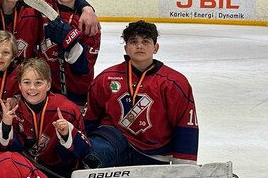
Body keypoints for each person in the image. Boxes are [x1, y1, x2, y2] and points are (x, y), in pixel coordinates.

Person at [84, 20, 198, 167]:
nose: (139, 46)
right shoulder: (106, 79)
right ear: (126, 48)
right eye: (133, 41)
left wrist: (184, 168)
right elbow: (90, 119)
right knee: (95, 152)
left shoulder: (174, 82)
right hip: (114, 145)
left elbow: (185, 125)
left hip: (155, 155)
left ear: (155, 47)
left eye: (145, 41)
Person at [0, 58, 90, 178]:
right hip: (25, 170)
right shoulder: (12, 110)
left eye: (38, 83)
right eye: (26, 82)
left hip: (59, 173)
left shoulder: (67, 110)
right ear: (19, 85)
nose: (32, 88)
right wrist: (6, 125)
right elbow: (4, 151)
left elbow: (84, 151)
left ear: (48, 85)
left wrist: (68, 133)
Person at [27, 0, 101, 108]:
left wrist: (72, 44)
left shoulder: (87, 21)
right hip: (46, 85)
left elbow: (85, 67)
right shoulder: (44, 4)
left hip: (76, 91)